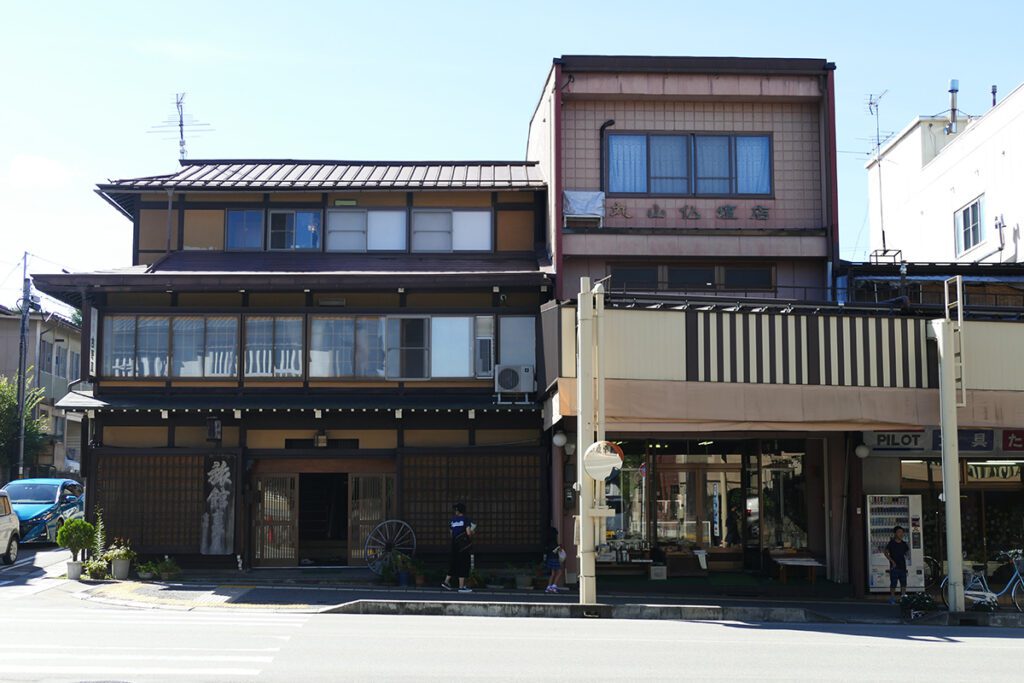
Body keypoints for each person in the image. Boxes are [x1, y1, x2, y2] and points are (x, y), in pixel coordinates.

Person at [442, 502, 475, 593]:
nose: (455, 511)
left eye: (456, 509)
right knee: (463, 564)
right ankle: (461, 587)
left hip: (454, 544)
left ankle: (446, 581)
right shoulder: (466, 519)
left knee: (454, 562)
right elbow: (468, 532)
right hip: (463, 545)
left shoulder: (452, 520)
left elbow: (451, 533)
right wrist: (472, 532)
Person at [884, 525, 911, 604]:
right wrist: (892, 561)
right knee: (893, 583)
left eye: (902, 532)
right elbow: (885, 552)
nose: (901, 534)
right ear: (895, 533)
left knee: (903, 583)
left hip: (902, 566)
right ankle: (892, 598)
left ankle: (903, 597)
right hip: (894, 567)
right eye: (899, 532)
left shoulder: (904, 544)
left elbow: (907, 553)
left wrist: (908, 555)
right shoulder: (891, 543)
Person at [543, 526, 567, 594]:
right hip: (554, 558)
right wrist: (559, 547)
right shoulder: (553, 542)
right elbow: (554, 550)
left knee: (552, 573)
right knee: (559, 572)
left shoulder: (547, 541)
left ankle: (549, 587)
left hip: (549, 558)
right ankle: (554, 586)